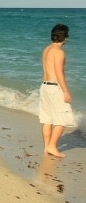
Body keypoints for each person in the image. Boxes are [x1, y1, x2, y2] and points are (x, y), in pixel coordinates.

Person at [39, 23, 74, 158]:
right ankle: (52, 146)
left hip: (45, 86)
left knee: (47, 118)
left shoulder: (47, 49)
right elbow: (59, 74)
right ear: (64, 38)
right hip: (54, 87)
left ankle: (47, 147)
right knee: (63, 118)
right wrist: (66, 91)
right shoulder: (59, 52)